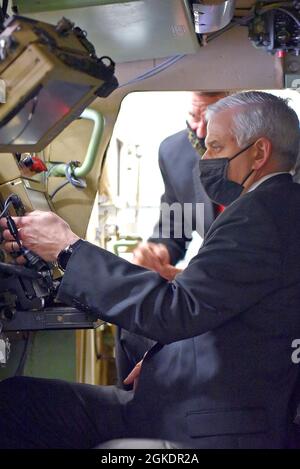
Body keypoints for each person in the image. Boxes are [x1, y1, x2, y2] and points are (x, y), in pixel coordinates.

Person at [1, 91, 300, 449]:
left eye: (216, 147)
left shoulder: (261, 217)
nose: (204, 158)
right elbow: (190, 247)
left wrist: (67, 248)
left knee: (17, 406)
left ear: (259, 152)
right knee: (21, 399)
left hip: (213, 423)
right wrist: (159, 255)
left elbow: (176, 311)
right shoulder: (274, 204)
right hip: (215, 394)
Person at [116, 92, 227, 388]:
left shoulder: (286, 159)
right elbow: (174, 226)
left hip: (250, 293)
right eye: (194, 117)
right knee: (132, 320)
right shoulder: (175, 152)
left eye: (212, 118)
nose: (200, 131)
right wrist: (158, 252)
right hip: (206, 288)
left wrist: (192, 276)